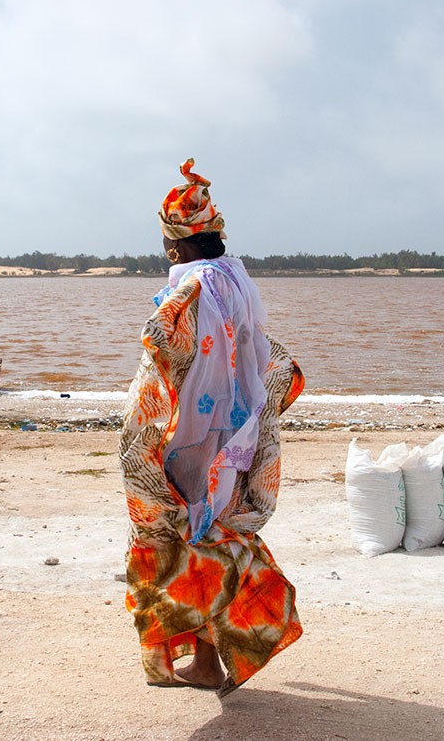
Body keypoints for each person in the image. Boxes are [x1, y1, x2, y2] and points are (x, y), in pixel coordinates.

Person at [119, 158, 305, 697]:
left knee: (168, 531)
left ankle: (191, 660)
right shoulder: (237, 279)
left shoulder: (193, 284)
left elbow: (161, 333)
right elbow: (259, 352)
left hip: (185, 437)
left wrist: (156, 397)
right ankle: (204, 662)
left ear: (175, 247)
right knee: (207, 535)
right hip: (232, 436)